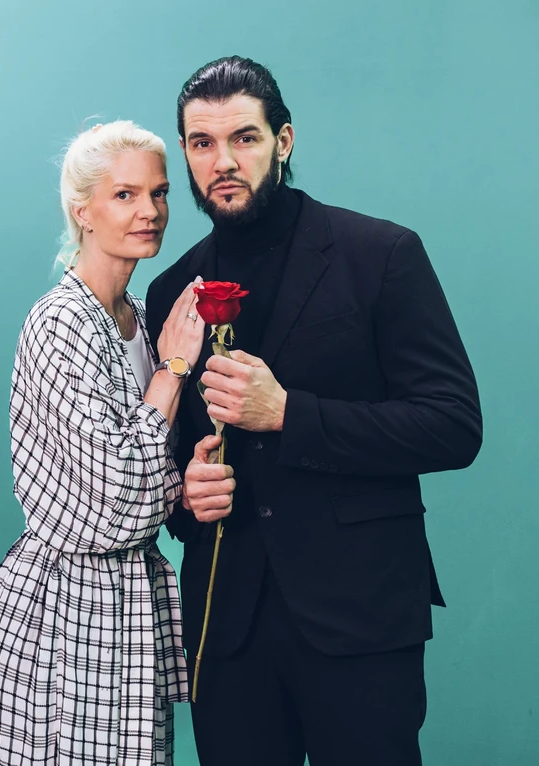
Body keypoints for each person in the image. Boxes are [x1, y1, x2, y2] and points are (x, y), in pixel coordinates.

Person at [145, 56, 482, 765]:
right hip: (225, 628)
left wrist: (287, 414)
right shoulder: (171, 290)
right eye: (203, 143)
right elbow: (170, 458)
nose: (223, 161)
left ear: (284, 140)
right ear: (186, 153)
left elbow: (454, 424)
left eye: (244, 137)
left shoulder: (381, 254)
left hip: (361, 620)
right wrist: (184, 496)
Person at [0, 120, 205, 766]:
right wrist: (173, 372)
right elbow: (114, 497)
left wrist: (185, 485)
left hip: (129, 608)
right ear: (82, 211)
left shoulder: (139, 318)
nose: (149, 211)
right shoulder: (60, 323)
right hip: (64, 609)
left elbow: (151, 476)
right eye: (125, 195)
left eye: (159, 193)